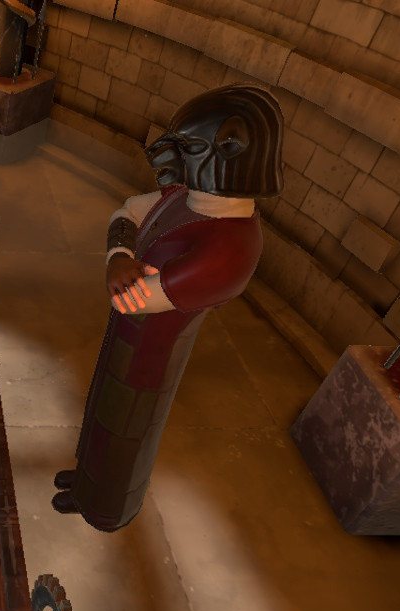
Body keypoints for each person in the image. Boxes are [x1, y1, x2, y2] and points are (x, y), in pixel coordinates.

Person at [52, 84, 285, 532]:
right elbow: (128, 211)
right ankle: (85, 483)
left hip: (151, 360)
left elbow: (131, 296)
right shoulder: (188, 196)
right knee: (101, 415)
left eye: (190, 148)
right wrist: (120, 255)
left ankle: (106, 508)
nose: (172, 158)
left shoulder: (231, 246)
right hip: (127, 338)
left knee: (126, 432)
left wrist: (120, 259)